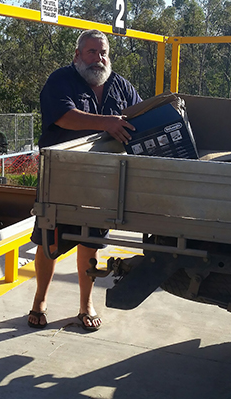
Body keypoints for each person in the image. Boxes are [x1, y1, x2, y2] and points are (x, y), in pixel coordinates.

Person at [27, 29, 142, 332]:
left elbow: (139, 116)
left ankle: (85, 304)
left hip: (102, 181)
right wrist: (108, 122)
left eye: (103, 52)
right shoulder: (60, 80)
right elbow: (64, 117)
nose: (98, 58)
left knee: (90, 242)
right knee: (48, 240)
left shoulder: (121, 86)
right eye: (91, 52)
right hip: (60, 177)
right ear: (77, 55)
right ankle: (40, 300)